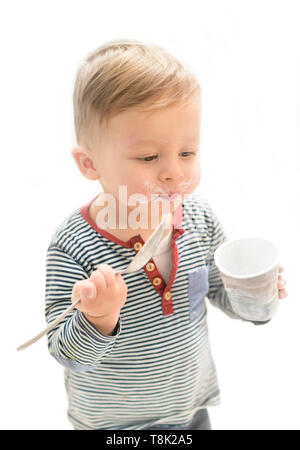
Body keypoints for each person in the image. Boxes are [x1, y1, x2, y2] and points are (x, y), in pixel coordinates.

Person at [45, 39, 288, 430]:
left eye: (188, 153)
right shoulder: (74, 245)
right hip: (111, 423)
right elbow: (65, 351)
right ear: (89, 163)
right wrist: (98, 317)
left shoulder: (198, 218)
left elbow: (217, 291)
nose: (174, 172)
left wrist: (252, 298)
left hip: (190, 409)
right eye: (148, 157)